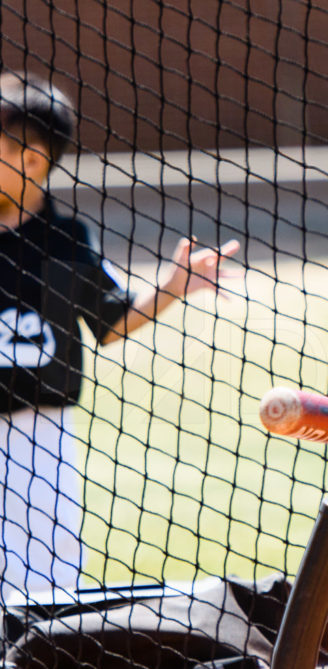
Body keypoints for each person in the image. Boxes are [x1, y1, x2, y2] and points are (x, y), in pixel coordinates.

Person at [0, 70, 239, 602]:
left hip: (36, 437)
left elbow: (110, 320)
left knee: (41, 589)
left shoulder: (63, 241)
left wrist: (174, 286)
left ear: (31, 161)